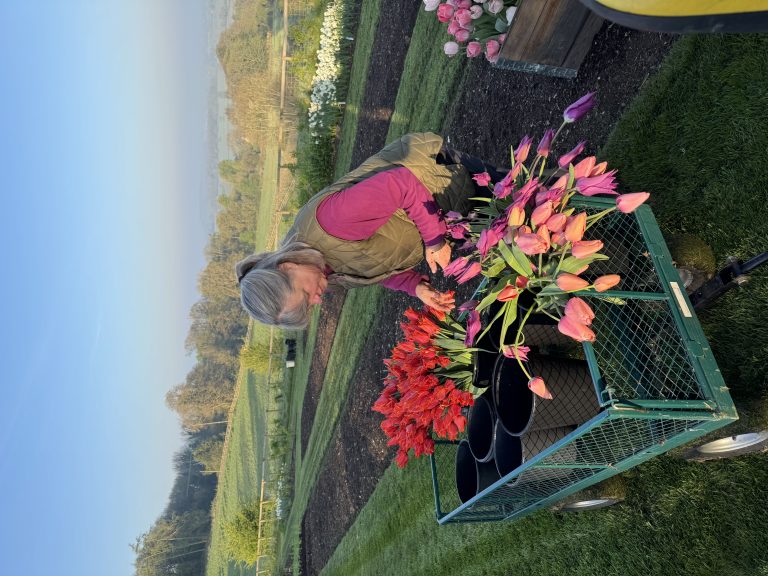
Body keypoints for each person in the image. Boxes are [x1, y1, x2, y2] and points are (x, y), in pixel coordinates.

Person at [236, 132, 500, 329]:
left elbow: (401, 184)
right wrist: (415, 286)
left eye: (305, 296)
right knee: (509, 233)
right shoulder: (318, 273)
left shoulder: (332, 222)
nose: (316, 300)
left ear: (287, 267)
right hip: (440, 218)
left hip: (437, 180)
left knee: (517, 195)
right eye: (308, 306)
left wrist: (435, 241)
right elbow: (369, 265)